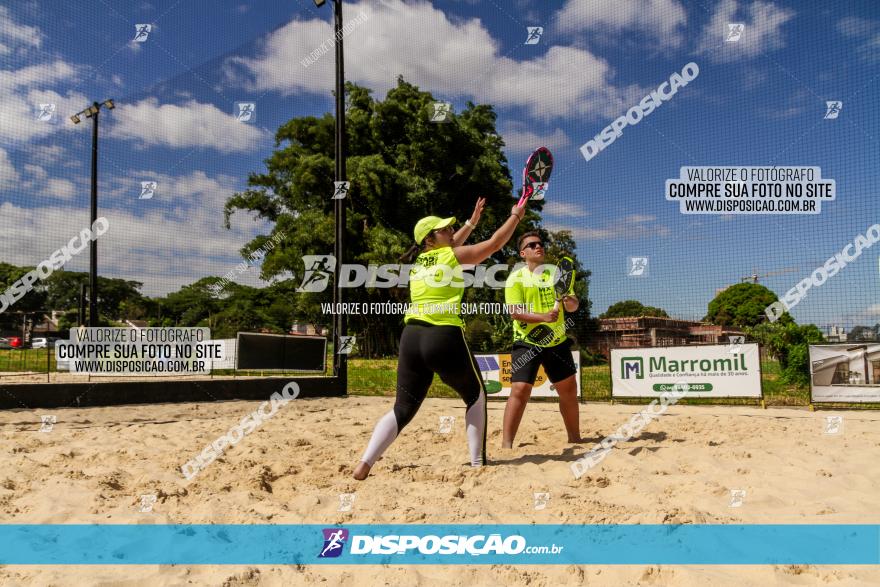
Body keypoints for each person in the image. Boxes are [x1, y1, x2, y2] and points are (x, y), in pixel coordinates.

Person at [353, 197, 525, 480]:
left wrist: (471, 223)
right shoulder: (450, 256)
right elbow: (494, 244)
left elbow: (451, 243)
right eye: (444, 229)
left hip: (411, 339)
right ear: (431, 238)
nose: (450, 231)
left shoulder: (419, 262)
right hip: (443, 336)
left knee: (403, 408)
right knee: (476, 396)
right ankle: (477, 463)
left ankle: (365, 463)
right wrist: (515, 216)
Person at [501, 231, 581, 448]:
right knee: (520, 389)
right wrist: (543, 317)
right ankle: (506, 445)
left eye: (540, 243)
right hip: (527, 340)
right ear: (523, 253)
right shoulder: (516, 279)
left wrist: (567, 298)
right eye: (532, 244)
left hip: (556, 341)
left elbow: (573, 306)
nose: (538, 246)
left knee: (569, 390)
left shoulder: (556, 273)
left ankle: (575, 439)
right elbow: (515, 313)